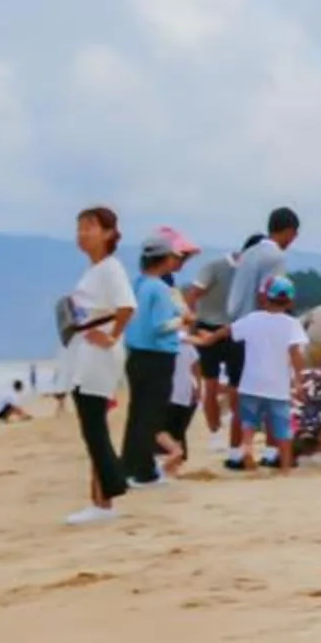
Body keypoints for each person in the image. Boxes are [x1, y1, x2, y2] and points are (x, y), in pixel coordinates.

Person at [62, 205, 137, 524]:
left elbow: (126, 306)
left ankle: (104, 499)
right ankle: (101, 495)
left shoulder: (110, 268)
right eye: (79, 227)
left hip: (99, 354)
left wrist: (112, 336)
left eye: (90, 227)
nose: (82, 233)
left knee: (93, 424)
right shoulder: (94, 270)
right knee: (91, 423)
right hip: (85, 351)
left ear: (108, 233)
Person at [122, 227, 194, 489]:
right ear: (164, 260)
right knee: (150, 415)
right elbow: (160, 326)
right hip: (157, 356)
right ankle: (143, 472)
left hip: (136, 355)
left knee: (137, 413)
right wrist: (182, 320)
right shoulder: (158, 289)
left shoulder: (137, 284)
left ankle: (128, 467)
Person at [229, 276, 312, 473]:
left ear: (264, 297)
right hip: (277, 385)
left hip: (250, 382)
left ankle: (247, 448)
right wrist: (300, 380)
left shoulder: (252, 319)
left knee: (248, 422)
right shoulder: (291, 324)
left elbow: (230, 331)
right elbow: (295, 354)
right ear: (290, 301)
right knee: (282, 428)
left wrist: (207, 339)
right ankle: (284, 467)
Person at [180, 233, 245, 441]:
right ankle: (222, 432)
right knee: (229, 385)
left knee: (213, 383)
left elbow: (192, 294)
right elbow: (193, 294)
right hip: (228, 329)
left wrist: (191, 322)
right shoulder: (238, 269)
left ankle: (215, 431)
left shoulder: (214, 266)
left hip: (214, 327)